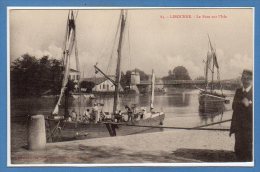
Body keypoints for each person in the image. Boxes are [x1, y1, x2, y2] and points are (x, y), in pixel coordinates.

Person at [230, 69, 253, 161]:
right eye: (243, 78)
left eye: (247, 78)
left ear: (251, 79)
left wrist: (249, 105)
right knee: (238, 150)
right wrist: (244, 103)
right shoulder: (238, 91)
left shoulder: (255, 92)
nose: (245, 80)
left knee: (248, 151)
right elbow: (233, 106)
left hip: (249, 129)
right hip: (238, 128)